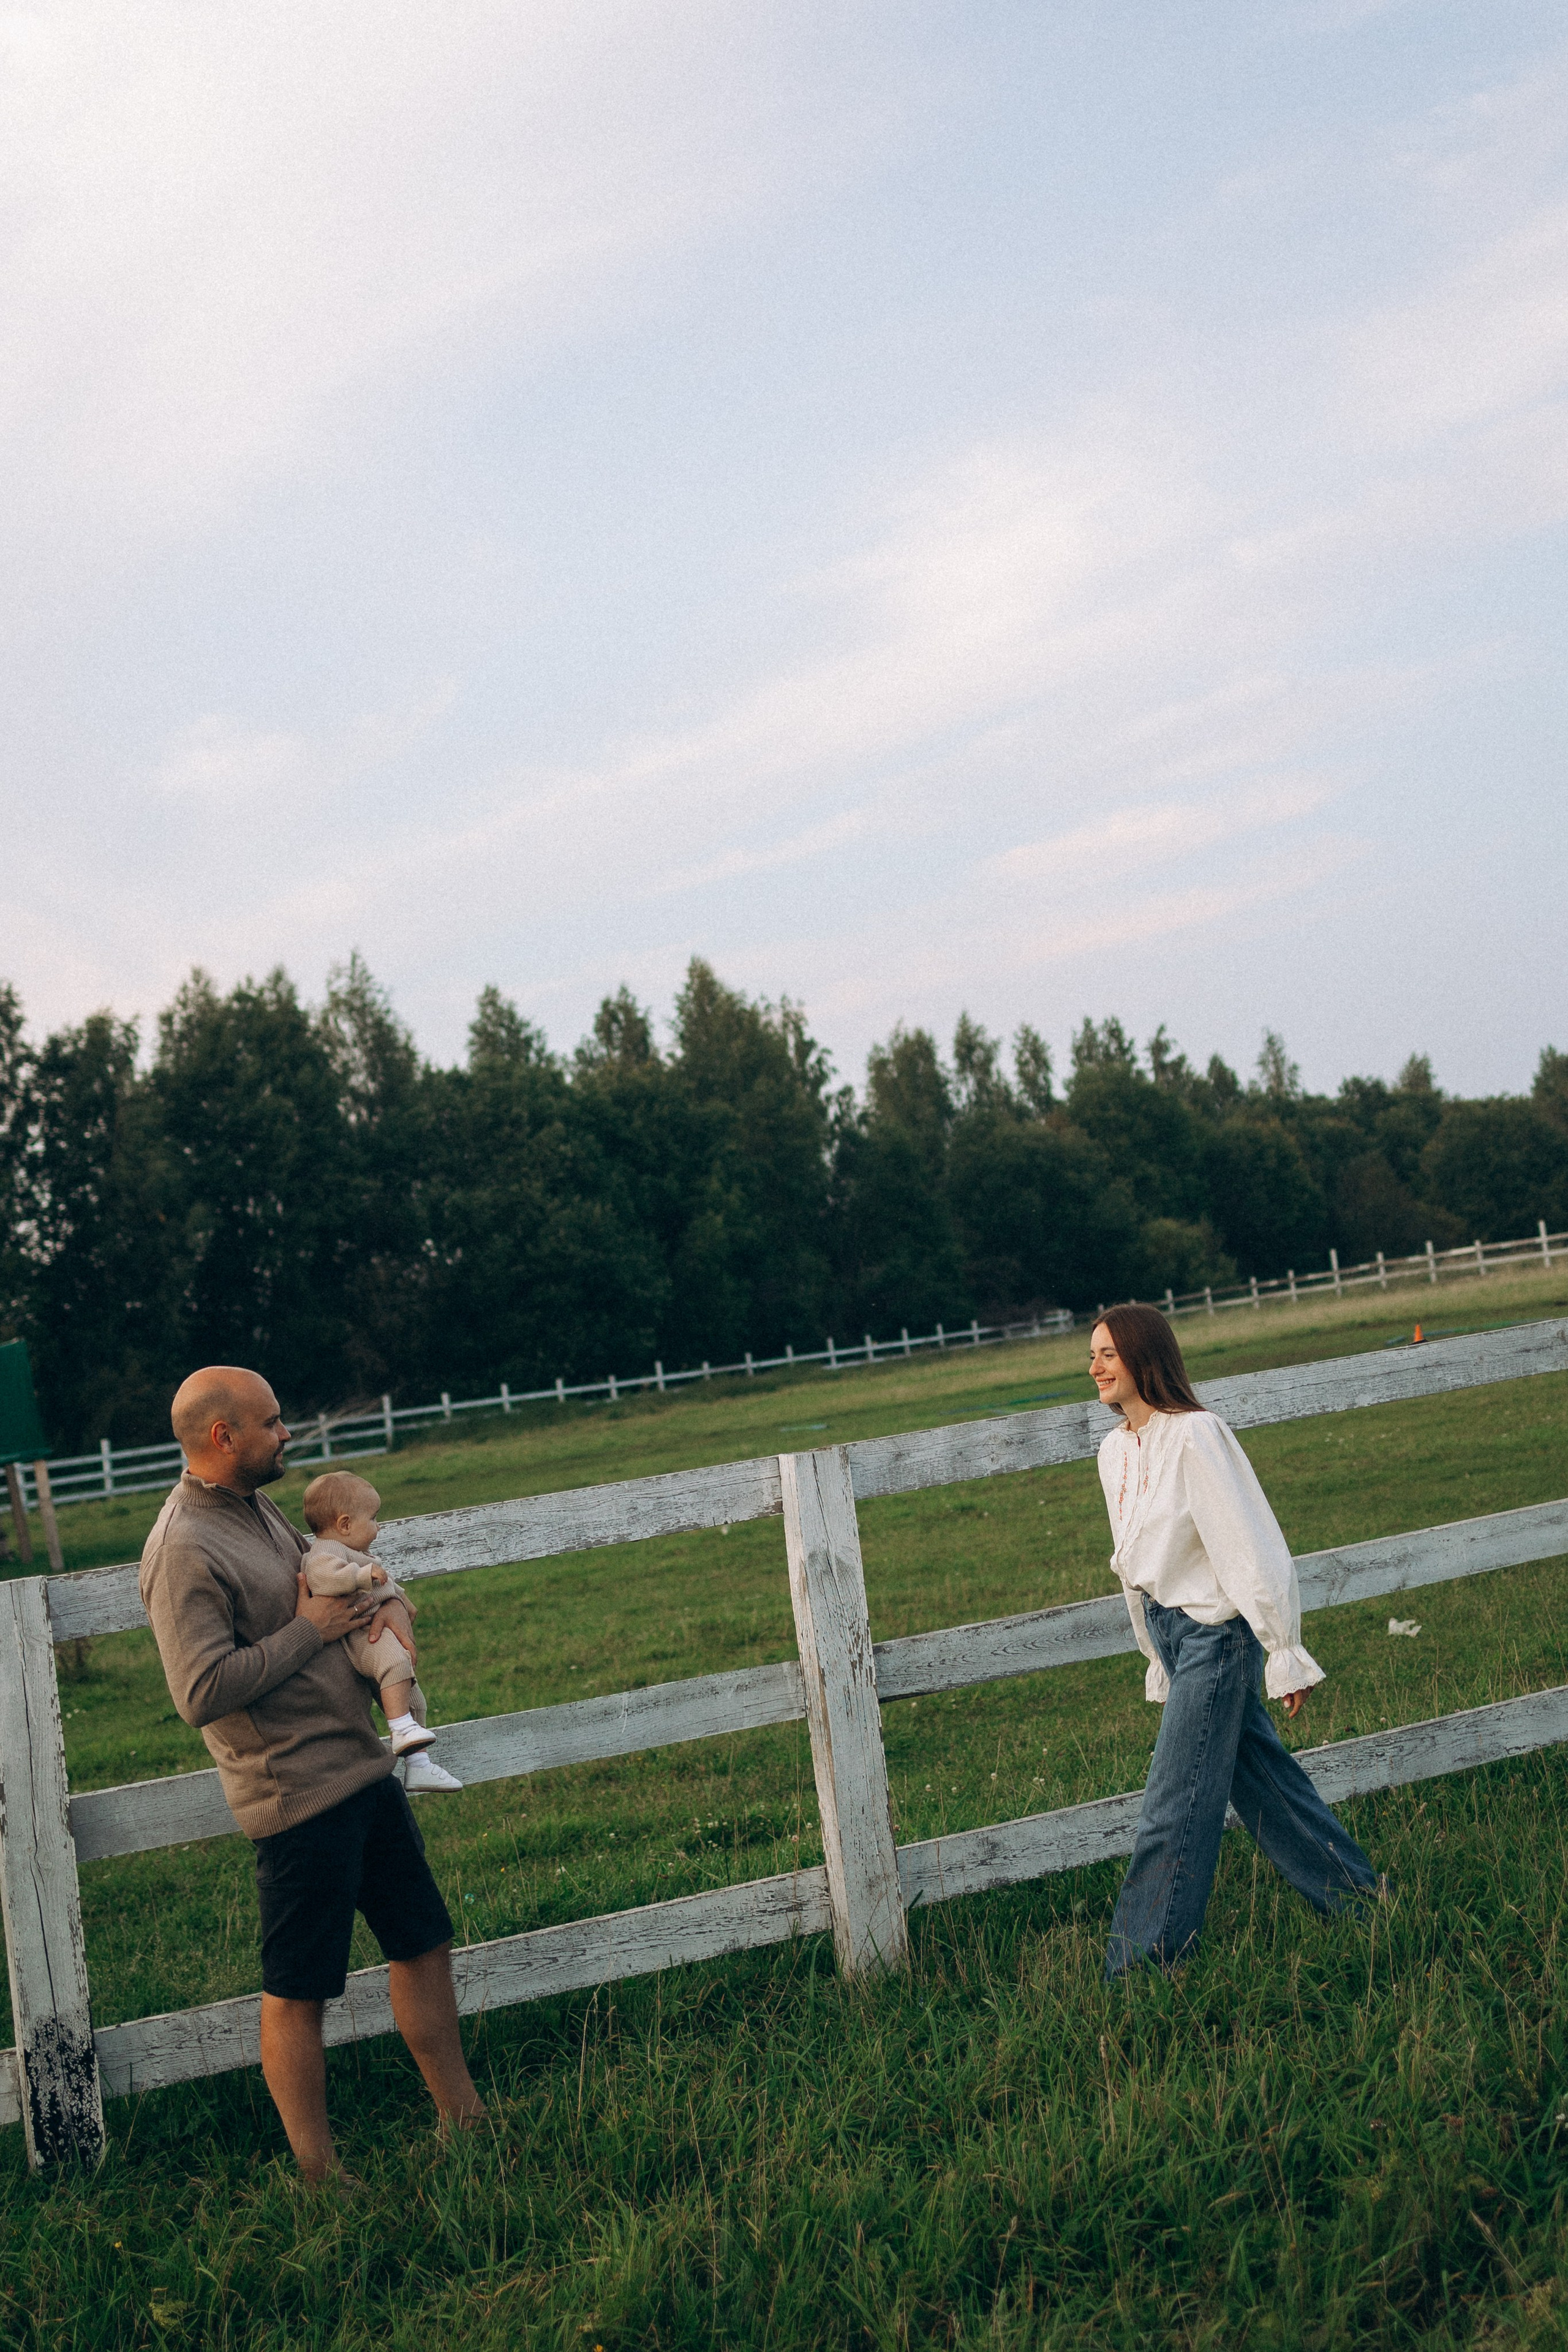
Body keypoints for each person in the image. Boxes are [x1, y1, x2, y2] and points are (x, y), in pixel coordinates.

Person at [140, 1364, 484, 2182]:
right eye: (271, 1421)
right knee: (299, 1992)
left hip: (363, 1767)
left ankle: (466, 2123)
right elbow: (200, 1692)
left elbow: (332, 1583)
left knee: (423, 1942)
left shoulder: (254, 1506)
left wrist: (383, 1606)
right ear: (223, 1436)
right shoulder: (182, 1547)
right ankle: (321, 2178)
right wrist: (310, 1629)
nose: (286, 1432)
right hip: (295, 1797)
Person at [1089, 1303, 1379, 1977]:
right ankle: (1362, 1904)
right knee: (1266, 1785)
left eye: (1108, 1354)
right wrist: (1154, 1656)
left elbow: (1248, 1543)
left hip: (1215, 1639)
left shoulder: (1196, 1435)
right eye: (1092, 1356)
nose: (1096, 1368)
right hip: (1171, 1632)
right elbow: (1134, 1566)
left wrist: (1283, 1649)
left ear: (1143, 1357)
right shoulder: (1113, 1451)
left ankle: (1144, 1967)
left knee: (1173, 1805)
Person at [301, 1469, 462, 1795]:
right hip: (362, 1635)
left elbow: (386, 1585)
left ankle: (418, 1764)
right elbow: (322, 1578)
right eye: (374, 1518)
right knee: (396, 1663)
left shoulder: (355, 1551)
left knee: (414, 1699)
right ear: (345, 1524)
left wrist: (399, 1598)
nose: (379, 1526)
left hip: (374, 1627)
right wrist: (361, 1575)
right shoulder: (325, 1552)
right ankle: (400, 1729)